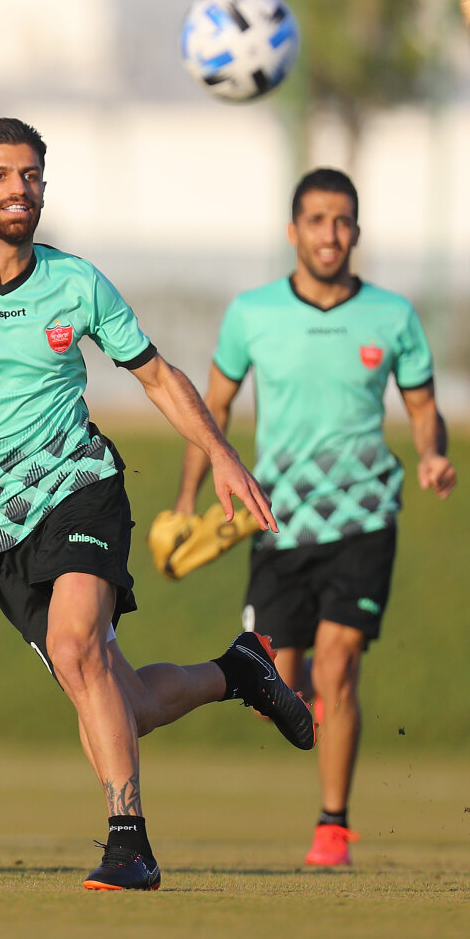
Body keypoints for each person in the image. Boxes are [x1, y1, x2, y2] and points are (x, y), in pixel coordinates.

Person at [0, 117, 315, 892]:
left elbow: (155, 375)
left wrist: (220, 453)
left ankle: (129, 843)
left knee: (77, 647)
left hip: (82, 487)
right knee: (121, 700)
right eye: (1, 175)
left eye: (31, 175)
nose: (19, 189)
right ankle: (238, 671)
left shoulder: (77, 282)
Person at [172, 167, 456, 868]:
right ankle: (306, 703)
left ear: (357, 231)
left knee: (339, 663)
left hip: (365, 516)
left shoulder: (393, 315)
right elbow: (211, 409)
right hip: (277, 521)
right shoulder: (252, 313)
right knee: (275, 684)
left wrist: (432, 454)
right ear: (293, 231)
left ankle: (333, 826)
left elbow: (424, 407)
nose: (331, 234)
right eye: (318, 220)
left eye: (343, 220)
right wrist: (185, 501)